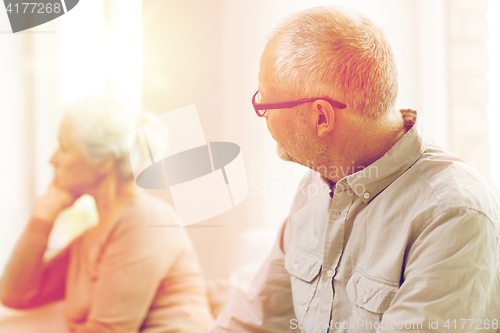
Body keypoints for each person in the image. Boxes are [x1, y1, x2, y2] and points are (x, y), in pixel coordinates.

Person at [211, 5, 500, 333]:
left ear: (321, 117)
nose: (261, 114)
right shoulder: (317, 185)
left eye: (264, 103)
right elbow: (255, 320)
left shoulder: (454, 214)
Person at [0, 96, 214, 332]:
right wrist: (42, 218)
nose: (52, 160)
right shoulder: (93, 234)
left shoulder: (144, 220)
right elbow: (15, 295)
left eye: (64, 147)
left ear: (103, 163)